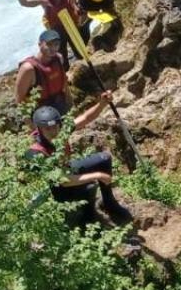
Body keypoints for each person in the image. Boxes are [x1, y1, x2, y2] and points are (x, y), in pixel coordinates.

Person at [25, 94, 130, 225]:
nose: (53, 132)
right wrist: (97, 175)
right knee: (89, 186)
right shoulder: (35, 152)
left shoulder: (61, 129)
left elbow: (86, 118)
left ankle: (110, 203)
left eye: (55, 127)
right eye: (47, 129)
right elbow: (62, 180)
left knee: (104, 158)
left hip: (66, 170)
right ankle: (87, 220)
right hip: (53, 189)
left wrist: (102, 103)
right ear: (39, 129)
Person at [11, 0, 83, 60]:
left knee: (80, 52)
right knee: (61, 55)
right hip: (56, 31)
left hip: (72, 27)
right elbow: (25, 2)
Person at [15, 30, 71, 114]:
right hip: (41, 113)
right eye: (49, 44)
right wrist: (30, 125)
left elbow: (64, 83)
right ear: (39, 44)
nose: (53, 48)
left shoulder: (59, 58)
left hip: (60, 104)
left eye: (56, 44)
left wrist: (70, 103)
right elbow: (19, 99)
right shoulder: (29, 69)